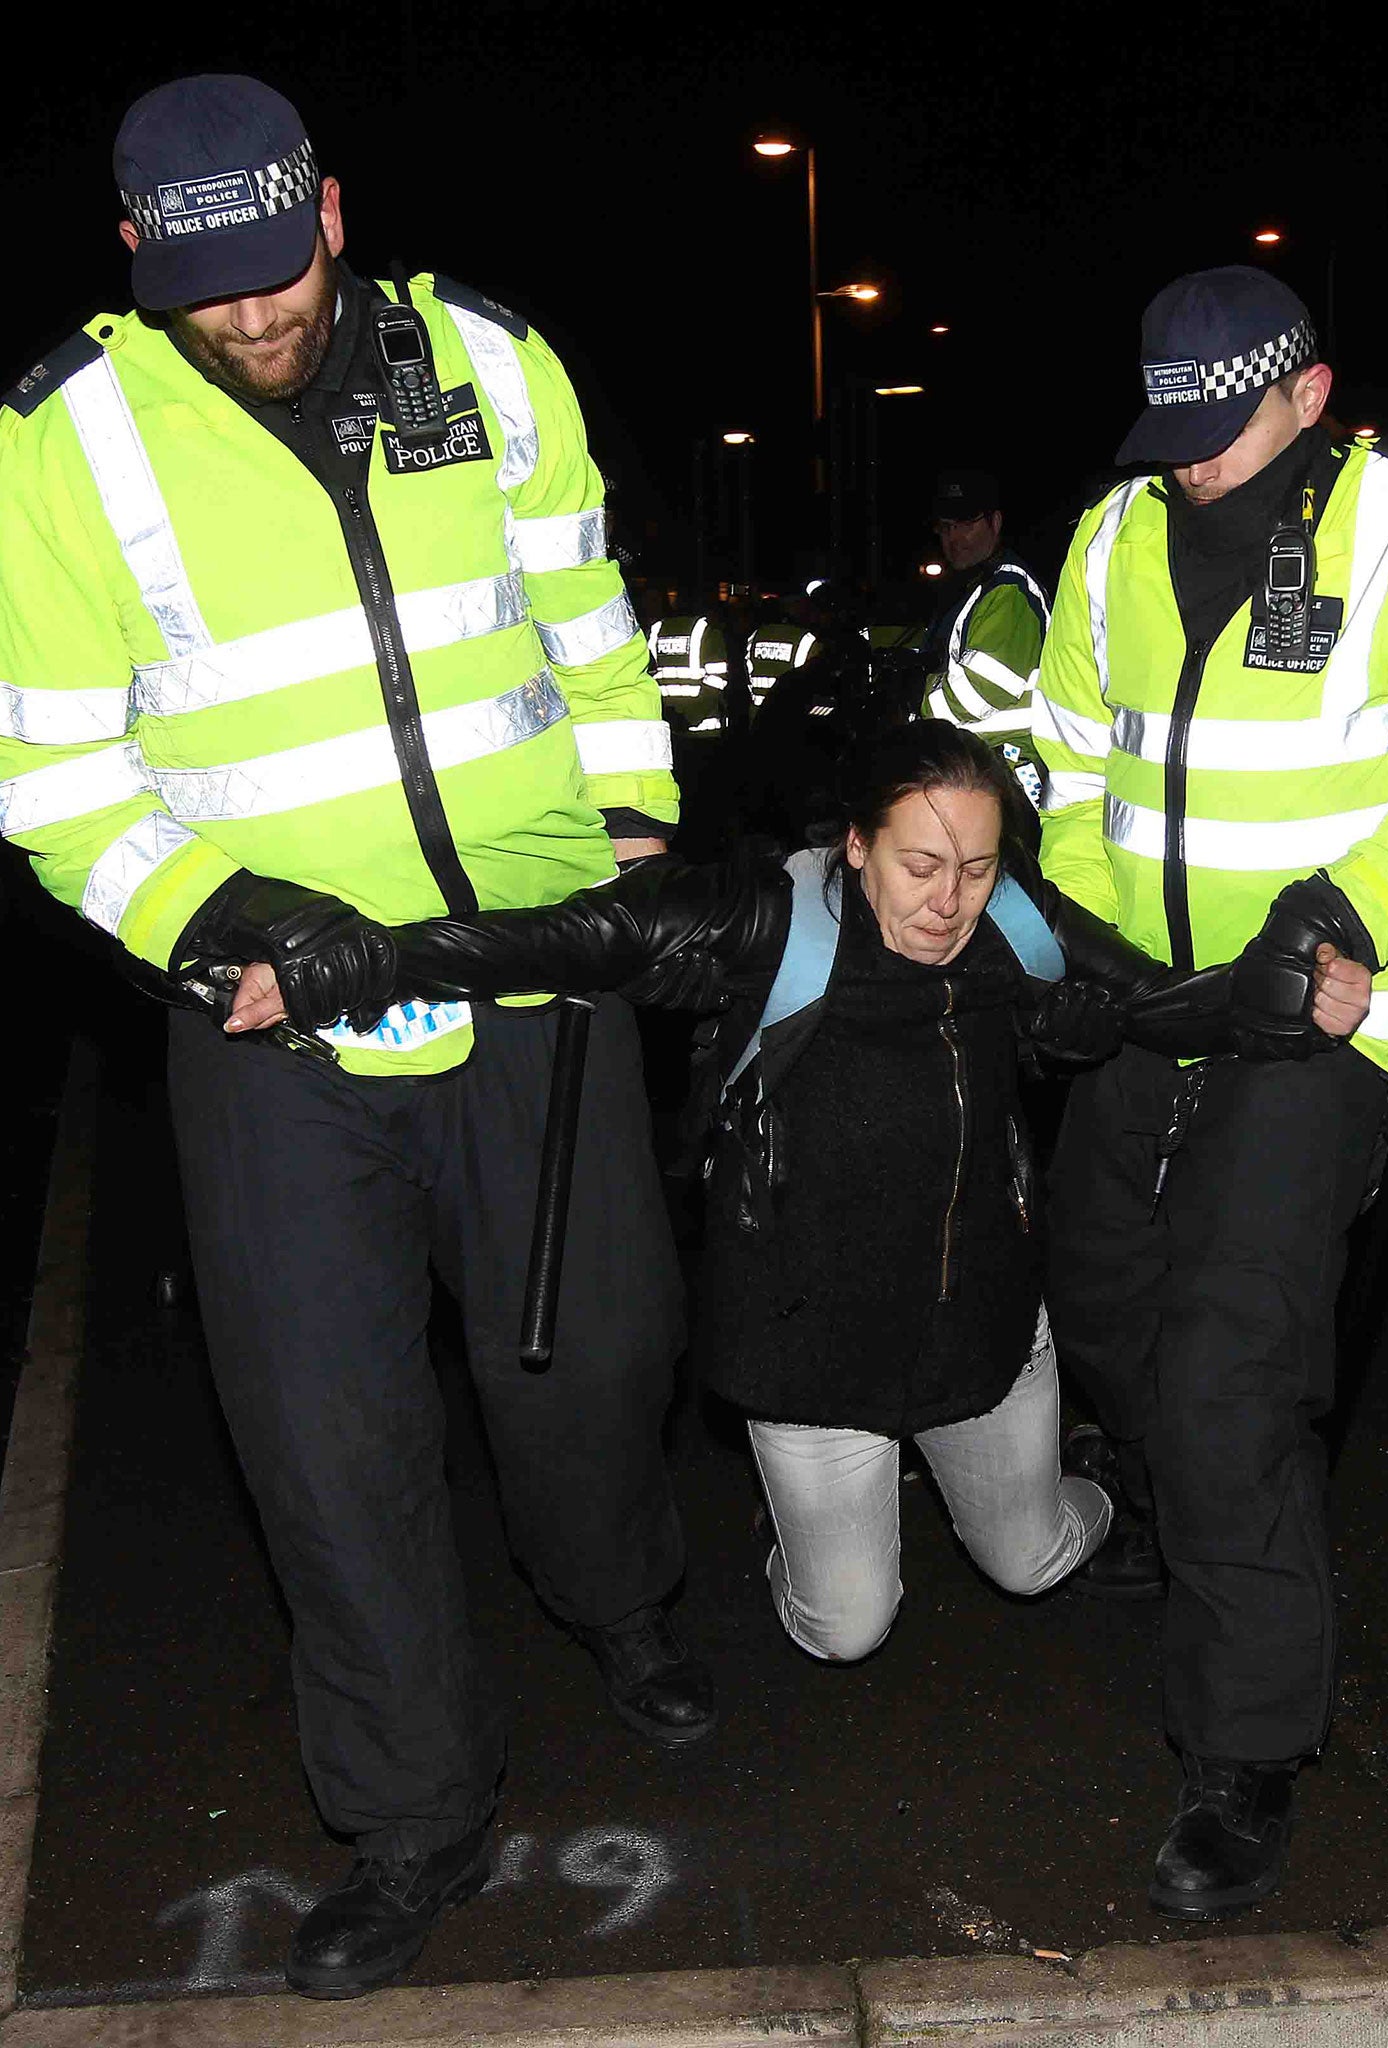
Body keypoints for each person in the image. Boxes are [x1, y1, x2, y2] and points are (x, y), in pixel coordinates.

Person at [0, 74, 711, 1999]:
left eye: (276, 269)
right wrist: (225, 922)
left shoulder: (484, 354)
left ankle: (620, 1599)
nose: (254, 318)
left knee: (589, 1362)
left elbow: (583, 611)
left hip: (532, 973)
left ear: (329, 209)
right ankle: (413, 1810)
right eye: (206, 288)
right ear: (141, 259)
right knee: (329, 1434)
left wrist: (630, 837)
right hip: (276, 1029)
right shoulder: (66, 441)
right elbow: (57, 777)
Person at [225, 723, 1370, 1668]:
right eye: (921, 866)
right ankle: (810, 1526)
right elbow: (566, 939)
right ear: (857, 844)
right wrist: (369, 961)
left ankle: (1101, 1482)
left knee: (1032, 1557)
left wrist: (1265, 1003)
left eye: (974, 868)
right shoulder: (768, 917)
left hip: (980, 1318)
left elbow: (1153, 1004)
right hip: (807, 1339)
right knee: (847, 1626)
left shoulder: (1017, 923)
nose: (949, 900)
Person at [1033, 265, 1388, 1918]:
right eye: (1165, 434)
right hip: (1148, 1008)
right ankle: (1204, 1506)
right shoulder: (1113, 536)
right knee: (1106, 1310)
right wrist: (1081, 943)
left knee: (1228, 1370)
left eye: (1221, 433)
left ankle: (1247, 1752)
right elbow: (1065, 767)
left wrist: (1344, 919)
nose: (1189, 467)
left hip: (1330, 1018)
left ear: (1308, 396)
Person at [921, 469, 1053, 800]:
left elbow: (980, 692)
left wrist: (911, 700)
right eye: (946, 527)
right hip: (982, 769)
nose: (954, 538)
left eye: (966, 524)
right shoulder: (974, 587)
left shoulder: (1009, 593)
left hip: (1008, 772)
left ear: (995, 522)